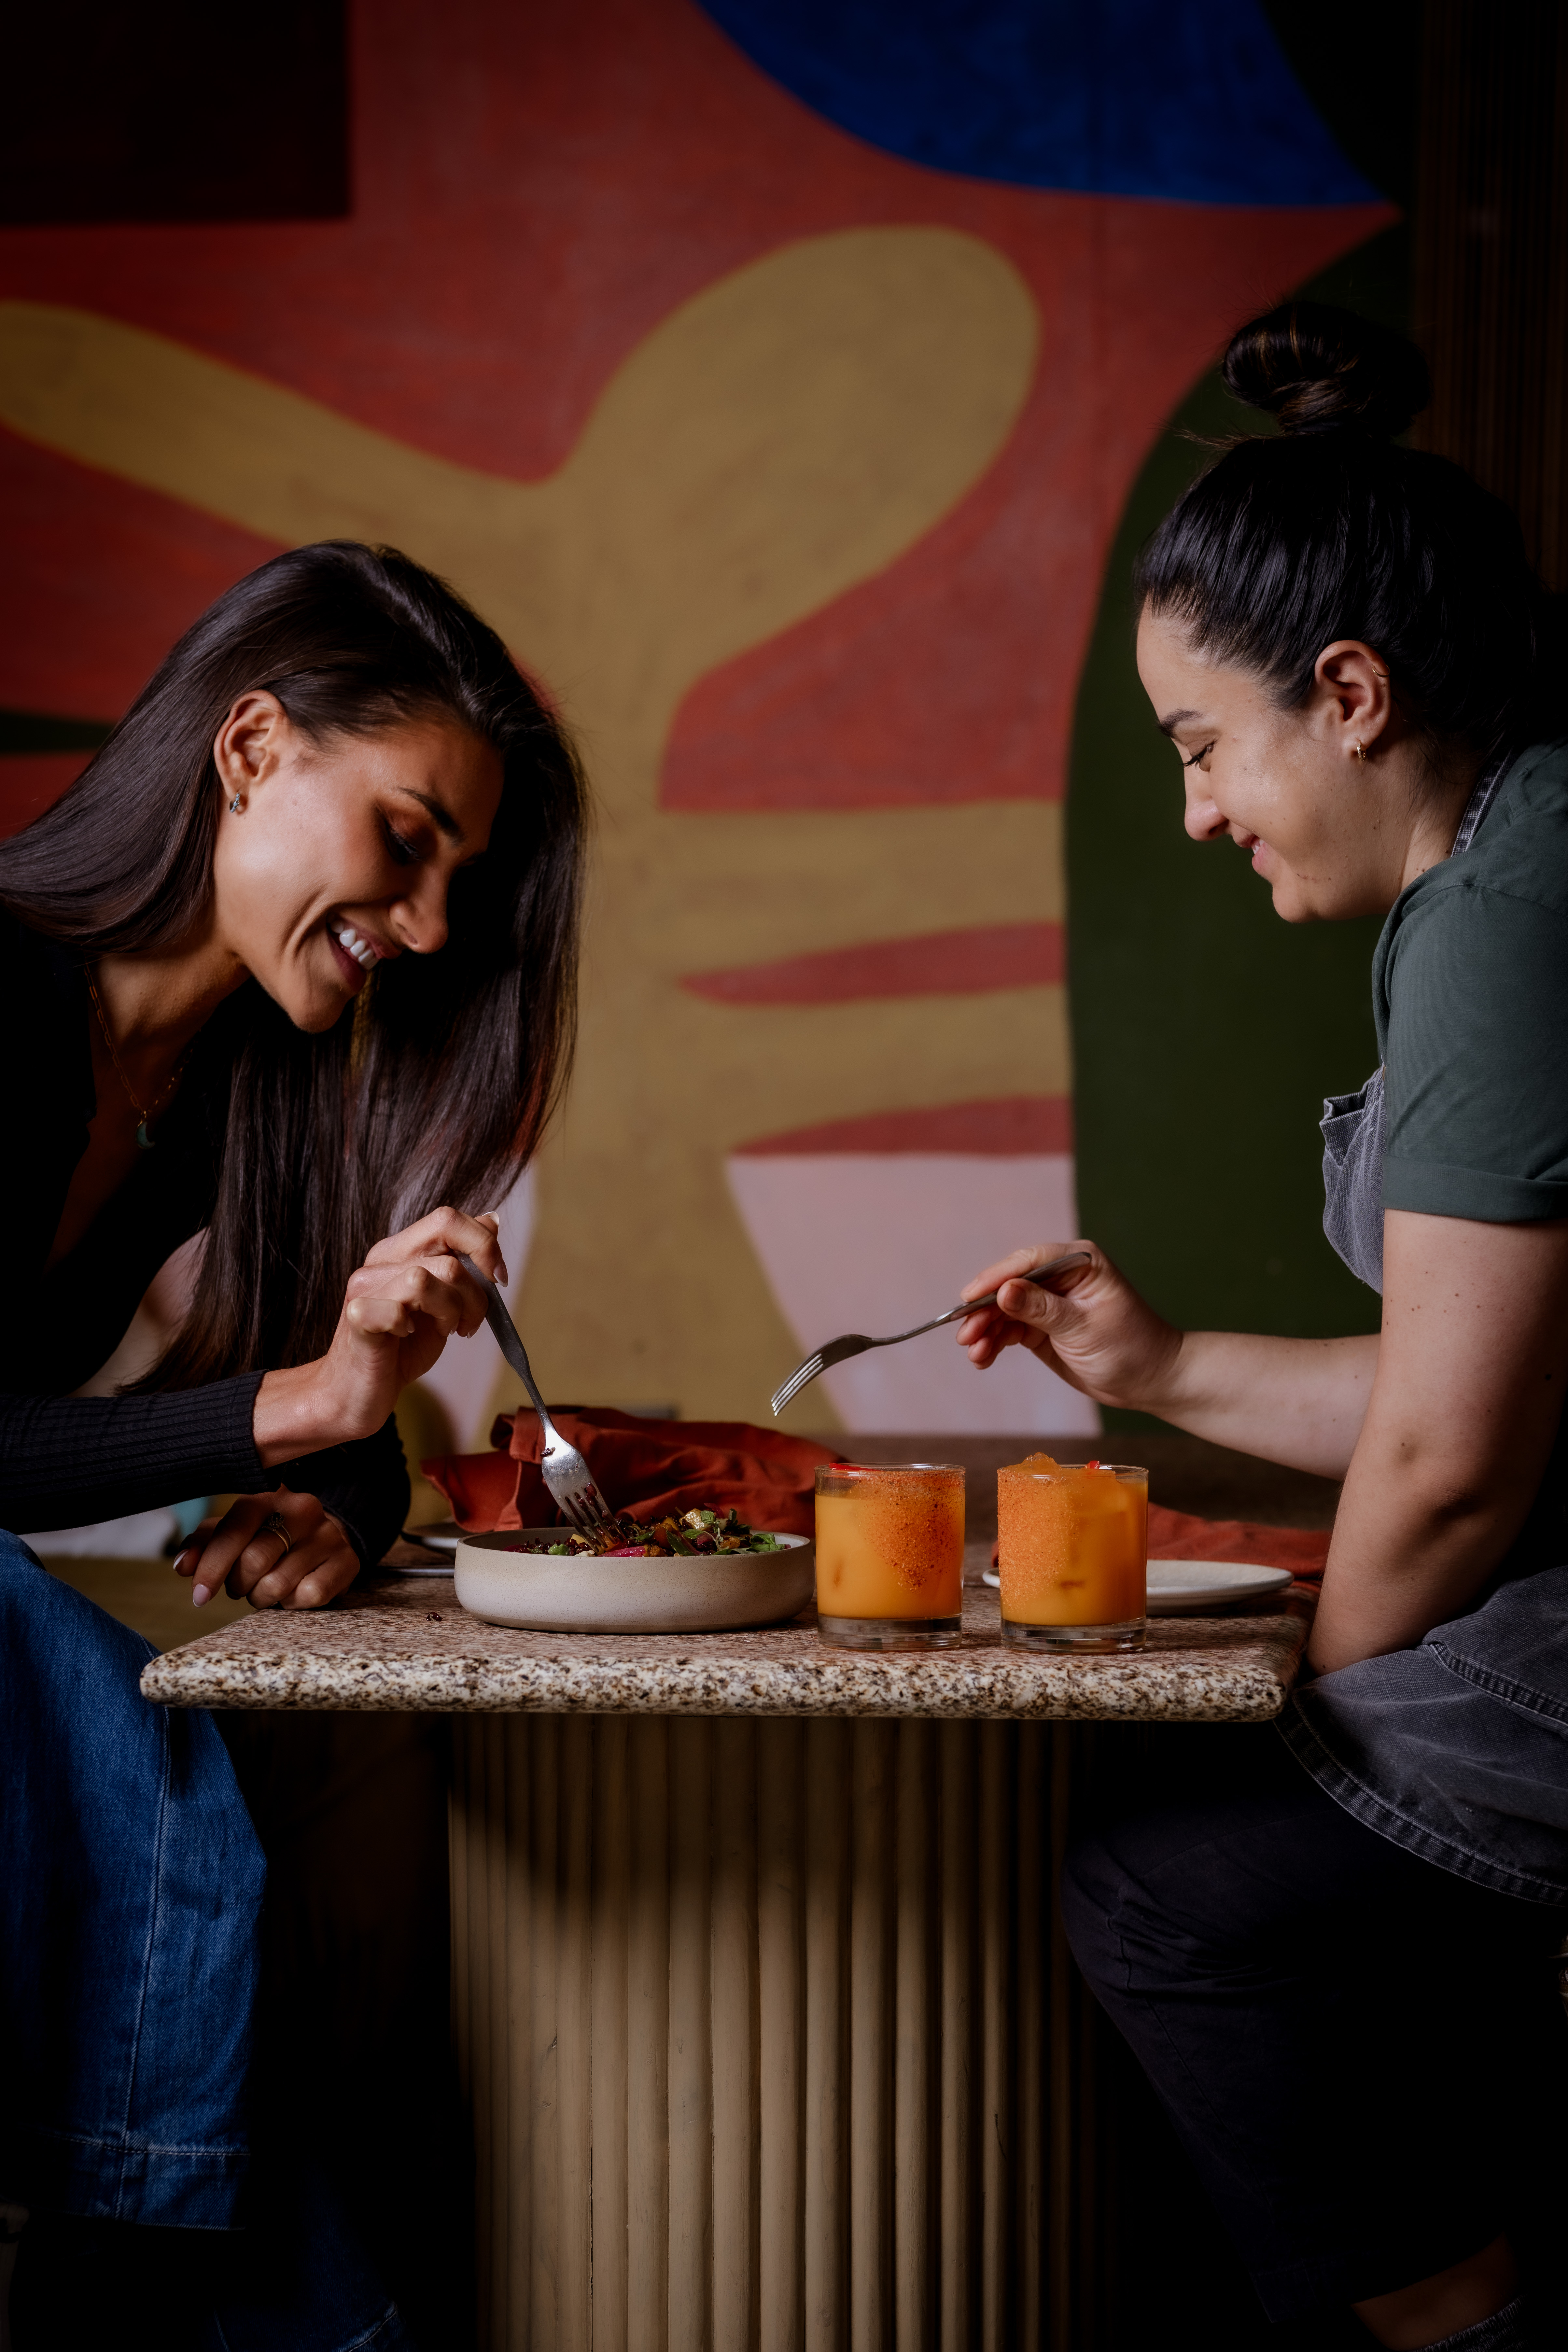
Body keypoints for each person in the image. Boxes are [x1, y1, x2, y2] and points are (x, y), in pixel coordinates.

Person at [958, 306, 1568, 2351]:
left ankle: (1470, 2325)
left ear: (1353, 690)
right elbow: (1466, 1387)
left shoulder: (1502, 912)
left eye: (1203, 747)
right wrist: (1160, 1369)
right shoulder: (1528, 845)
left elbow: (1460, 1460)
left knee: (1171, 1881)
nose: (1201, 812)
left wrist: (1315, 1702)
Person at [0, 541, 586, 2347]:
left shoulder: (214, 1104)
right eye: (406, 837)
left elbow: (346, 1447)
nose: (422, 922)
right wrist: (300, 1404)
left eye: (455, 882)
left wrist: (334, 1473)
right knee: (143, 1747)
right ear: (251, 745)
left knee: (319, 1750)